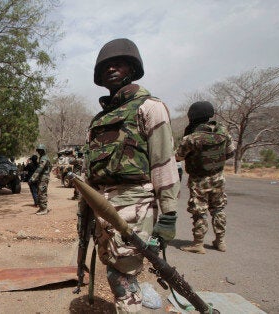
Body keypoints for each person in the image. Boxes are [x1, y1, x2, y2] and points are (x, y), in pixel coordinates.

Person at [84, 38, 180, 313]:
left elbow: (163, 161)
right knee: (115, 269)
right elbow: (90, 173)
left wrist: (169, 214)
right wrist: (87, 213)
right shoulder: (98, 121)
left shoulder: (149, 107)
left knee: (123, 274)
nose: (111, 69)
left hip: (134, 203)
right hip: (102, 205)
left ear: (132, 69)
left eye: (119, 63)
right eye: (105, 67)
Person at [176, 101, 235, 254]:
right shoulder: (223, 133)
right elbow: (230, 153)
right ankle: (220, 242)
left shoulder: (192, 138)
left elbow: (178, 157)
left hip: (199, 180)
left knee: (199, 211)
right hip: (218, 178)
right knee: (218, 209)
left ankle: (198, 244)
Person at [29, 144, 51, 215]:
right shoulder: (43, 157)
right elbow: (50, 167)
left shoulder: (44, 158)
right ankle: (41, 208)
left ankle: (44, 209)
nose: (39, 152)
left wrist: (32, 178)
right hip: (43, 177)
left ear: (43, 150)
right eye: (38, 150)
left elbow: (39, 169)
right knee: (40, 192)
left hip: (43, 178)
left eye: (40, 150)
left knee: (42, 193)